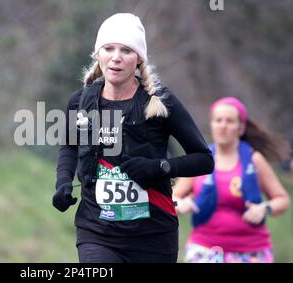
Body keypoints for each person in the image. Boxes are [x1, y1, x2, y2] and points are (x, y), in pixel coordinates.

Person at [52, 13, 214, 263]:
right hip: (97, 231)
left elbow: (204, 159)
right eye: (109, 48)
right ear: (98, 54)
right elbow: (70, 146)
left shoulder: (160, 102)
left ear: (138, 59)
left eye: (126, 50)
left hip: (153, 235)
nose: (116, 57)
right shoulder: (81, 101)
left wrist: (159, 167)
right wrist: (63, 181)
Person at [173, 97, 290, 263]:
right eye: (218, 120)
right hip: (205, 250)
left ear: (240, 128)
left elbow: (282, 200)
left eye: (229, 121)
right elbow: (171, 200)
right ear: (211, 125)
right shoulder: (199, 161)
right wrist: (181, 204)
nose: (223, 126)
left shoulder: (254, 160)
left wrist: (264, 209)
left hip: (251, 251)